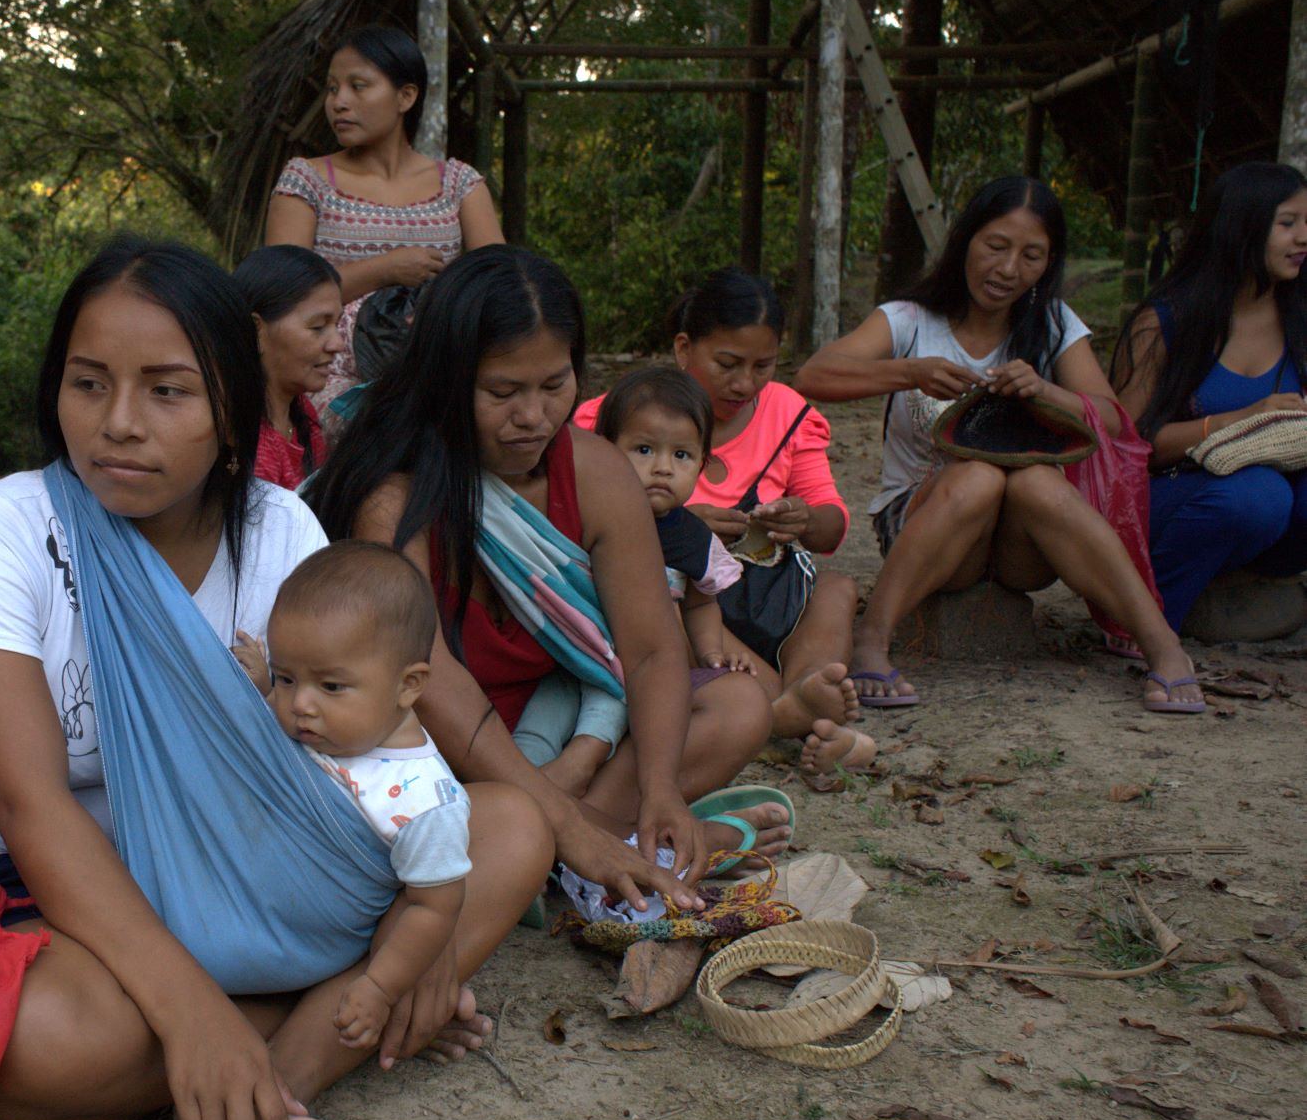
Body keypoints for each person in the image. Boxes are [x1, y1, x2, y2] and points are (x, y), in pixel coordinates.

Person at [0, 237, 551, 1120]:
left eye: (165, 390)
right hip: (57, 901)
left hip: (260, 879)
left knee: (504, 827)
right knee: (35, 1046)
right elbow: (25, 804)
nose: (117, 424)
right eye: (88, 384)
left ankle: (267, 1086)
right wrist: (193, 1006)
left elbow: (360, 743)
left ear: (228, 405)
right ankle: (316, 1017)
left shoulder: (281, 532)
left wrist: (410, 912)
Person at [307, 245, 786, 919]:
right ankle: (562, 847)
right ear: (447, 380)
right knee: (509, 816)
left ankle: (560, 850)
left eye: (554, 386)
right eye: (502, 392)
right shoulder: (394, 500)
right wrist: (562, 817)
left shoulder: (594, 472)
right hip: (437, 756)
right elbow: (431, 681)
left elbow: (651, 649)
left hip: (561, 733)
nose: (533, 416)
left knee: (738, 708)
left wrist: (657, 789)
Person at [796, 175, 1205, 714]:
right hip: (924, 523)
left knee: (1035, 480)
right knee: (979, 474)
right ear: (966, 239)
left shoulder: (1055, 324)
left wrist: (1046, 391)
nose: (1009, 269)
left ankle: (1162, 644)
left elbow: (1112, 418)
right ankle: (873, 636)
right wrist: (908, 372)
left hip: (1022, 548)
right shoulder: (910, 320)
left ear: (1049, 263)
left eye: (1031, 255)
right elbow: (813, 376)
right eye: (996, 246)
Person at [580, 270, 869, 775]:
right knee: (670, 593)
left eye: (764, 365)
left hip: (763, 592)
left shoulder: (789, 414)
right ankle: (787, 715)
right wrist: (673, 522)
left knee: (837, 590)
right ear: (684, 348)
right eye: (728, 364)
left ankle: (807, 694)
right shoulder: (619, 414)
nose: (745, 383)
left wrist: (803, 518)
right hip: (686, 596)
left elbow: (833, 523)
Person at [233, 541, 470, 1051]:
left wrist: (380, 987)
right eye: (287, 677)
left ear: (409, 685)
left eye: (332, 687)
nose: (300, 705)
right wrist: (260, 687)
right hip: (238, 910)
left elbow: (432, 910)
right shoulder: (318, 729)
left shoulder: (426, 803)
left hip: (318, 946)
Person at [266, 24, 504, 425]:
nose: (339, 102)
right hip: (326, 380)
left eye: (358, 86)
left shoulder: (460, 185)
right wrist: (386, 269)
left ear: (406, 96)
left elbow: (500, 286)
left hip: (437, 375)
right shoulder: (306, 181)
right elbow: (277, 293)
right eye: (332, 88)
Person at [1112, 161, 1307, 631]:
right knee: (1258, 496)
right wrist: (1245, 418)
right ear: (1242, 225)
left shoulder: (1300, 317)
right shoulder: (1165, 322)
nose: (1304, 237)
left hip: (1266, 517)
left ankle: (1240, 587)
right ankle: (1148, 627)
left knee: (1270, 495)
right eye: (1288, 224)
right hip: (1171, 497)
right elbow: (1129, 446)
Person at [233, 245, 344, 489]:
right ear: (255, 331)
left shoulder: (302, 415)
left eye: (336, 324)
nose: (337, 344)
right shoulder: (239, 441)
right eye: (317, 327)